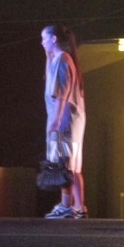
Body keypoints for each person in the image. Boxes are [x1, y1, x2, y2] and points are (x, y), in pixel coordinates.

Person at [40, 24, 88, 219]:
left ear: (53, 39)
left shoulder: (62, 60)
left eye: (44, 38)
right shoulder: (61, 59)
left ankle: (66, 205)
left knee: (64, 165)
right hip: (71, 120)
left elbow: (62, 93)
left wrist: (56, 121)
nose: (42, 42)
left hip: (63, 120)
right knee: (73, 166)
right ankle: (79, 207)